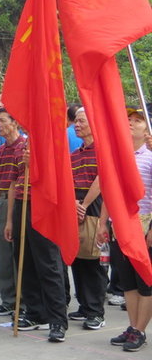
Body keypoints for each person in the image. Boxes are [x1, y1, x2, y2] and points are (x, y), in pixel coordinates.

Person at [4, 122, 69, 343]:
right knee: (25, 261)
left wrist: (38, 165)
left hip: (44, 208)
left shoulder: (53, 149)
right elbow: (13, 183)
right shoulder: (22, 147)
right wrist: (10, 220)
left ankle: (58, 320)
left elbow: (60, 181)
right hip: (22, 206)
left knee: (48, 266)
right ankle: (35, 312)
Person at [98, 107, 152, 351]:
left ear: (147, 128)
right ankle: (132, 327)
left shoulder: (150, 157)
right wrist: (102, 222)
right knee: (127, 282)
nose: (131, 123)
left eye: (138, 120)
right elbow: (110, 192)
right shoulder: (119, 157)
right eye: (128, 119)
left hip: (143, 224)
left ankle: (141, 330)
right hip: (120, 224)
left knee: (145, 282)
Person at [68, 108, 107, 331]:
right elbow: (69, 180)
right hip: (77, 204)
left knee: (94, 259)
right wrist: (74, 203)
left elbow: (102, 179)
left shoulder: (102, 150)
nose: (77, 124)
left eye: (82, 121)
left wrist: (83, 205)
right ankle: (83, 305)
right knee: (78, 256)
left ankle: (95, 311)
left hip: (96, 205)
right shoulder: (75, 153)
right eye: (76, 121)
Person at [0, 108, 22, 316]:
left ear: (15, 122)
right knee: (1, 254)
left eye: (2, 121)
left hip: (21, 201)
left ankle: (24, 301)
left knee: (19, 254)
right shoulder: (1, 150)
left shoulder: (25, 147)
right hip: (2, 200)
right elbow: (0, 179)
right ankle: (8, 299)